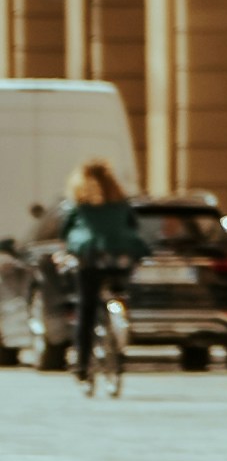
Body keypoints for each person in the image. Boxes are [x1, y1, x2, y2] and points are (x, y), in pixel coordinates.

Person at [58, 159, 141, 390]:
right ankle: (119, 322)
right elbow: (134, 228)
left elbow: (66, 232)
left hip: (91, 261)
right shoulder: (121, 203)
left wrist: (66, 251)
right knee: (118, 291)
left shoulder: (80, 206)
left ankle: (82, 366)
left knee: (86, 309)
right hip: (120, 261)